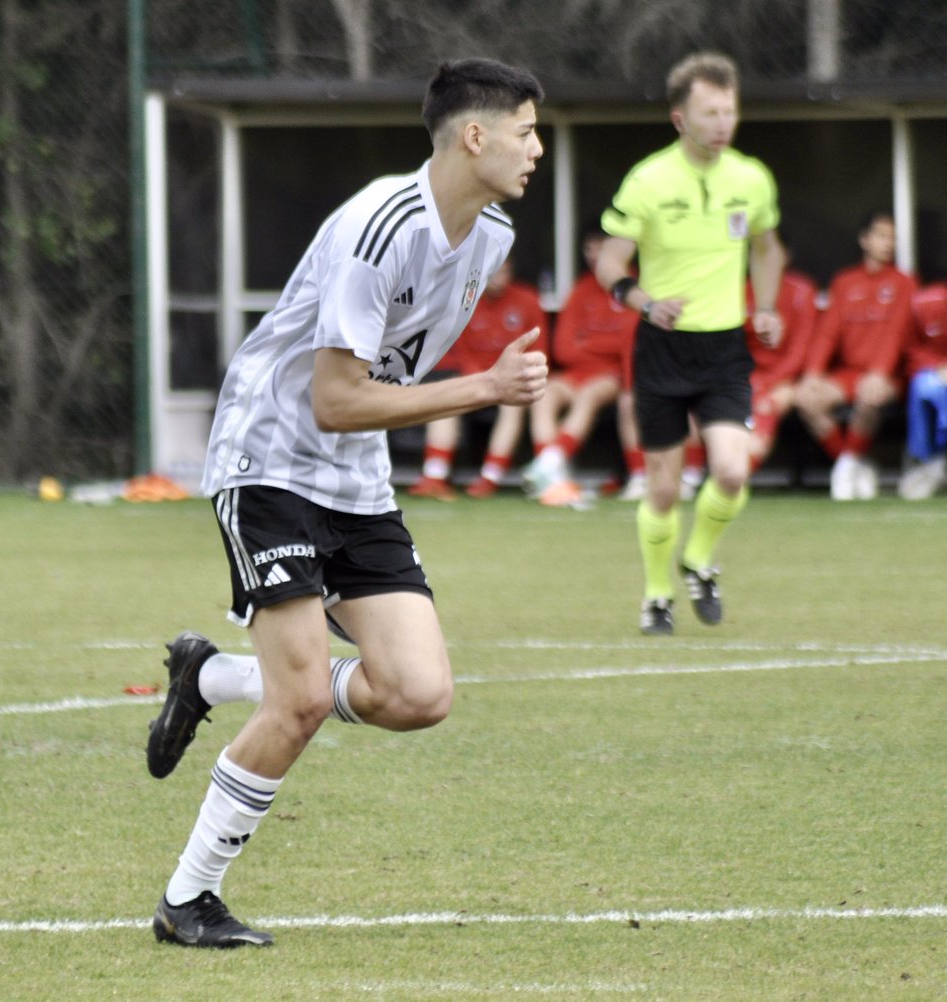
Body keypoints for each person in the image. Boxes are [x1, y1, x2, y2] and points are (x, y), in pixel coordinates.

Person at [144, 58, 546, 949]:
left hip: (354, 478)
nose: (537, 148)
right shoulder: (380, 227)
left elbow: (377, 392)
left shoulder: (488, 239)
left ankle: (208, 676)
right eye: (525, 130)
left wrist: (475, 386)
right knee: (299, 705)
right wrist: (484, 386)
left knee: (419, 693)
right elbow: (334, 398)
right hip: (272, 458)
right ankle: (188, 899)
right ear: (474, 136)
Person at [594, 51, 785, 636]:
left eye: (730, 111)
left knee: (731, 470)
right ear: (681, 119)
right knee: (665, 485)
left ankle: (699, 559)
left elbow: (767, 248)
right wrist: (646, 303)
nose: (723, 122)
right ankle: (656, 597)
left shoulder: (751, 178)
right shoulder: (649, 180)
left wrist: (769, 306)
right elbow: (608, 263)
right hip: (662, 347)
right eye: (710, 112)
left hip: (726, 347)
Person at [793, 210, 915, 500]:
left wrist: (880, 372)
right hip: (847, 374)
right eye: (882, 236)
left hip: (887, 376)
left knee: (870, 395)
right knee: (805, 398)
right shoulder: (845, 281)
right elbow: (827, 333)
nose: (889, 243)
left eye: (893, 238)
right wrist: (812, 373)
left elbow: (897, 335)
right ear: (865, 239)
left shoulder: (904, 283)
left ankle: (846, 468)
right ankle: (852, 463)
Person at [407, 257, 549, 499]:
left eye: (502, 272)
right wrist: (480, 377)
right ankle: (434, 476)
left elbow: (539, 347)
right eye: (492, 273)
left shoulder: (527, 299)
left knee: (513, 405)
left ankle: (490, 478)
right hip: (473, 375)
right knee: (445, 393)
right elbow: (457, 346)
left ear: (511, 271)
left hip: (511, 377)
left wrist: (508, 375)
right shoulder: (466, 299)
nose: (497, 279)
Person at [521, 229, 637, 506]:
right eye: (589, 249)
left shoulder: (633, 287)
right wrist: (604, 344)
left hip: (613, 376)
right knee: (543, 393)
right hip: (576, 373)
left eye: (602, 248)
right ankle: (553, 480)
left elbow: (629, 345)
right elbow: (563, 348)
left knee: (588, 396)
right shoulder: (581, 289)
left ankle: (547, 464)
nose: (595, 256)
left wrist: (590, 343)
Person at [744, 231, 819, 473]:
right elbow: (735, 346)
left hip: (787, 379)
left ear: (785, 256)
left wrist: (767, 381)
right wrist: (751, 379)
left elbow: (802, 348)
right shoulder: (740, 290)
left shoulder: (801, 290)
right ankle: (696, 473)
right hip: (749, 377)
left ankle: (738, 475)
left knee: (769, 403)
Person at [897, 281, 947, 499]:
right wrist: (938, 367)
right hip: (935, 372)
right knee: (926, 386)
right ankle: (927, 461)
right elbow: (910, 349)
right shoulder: (925, 302)